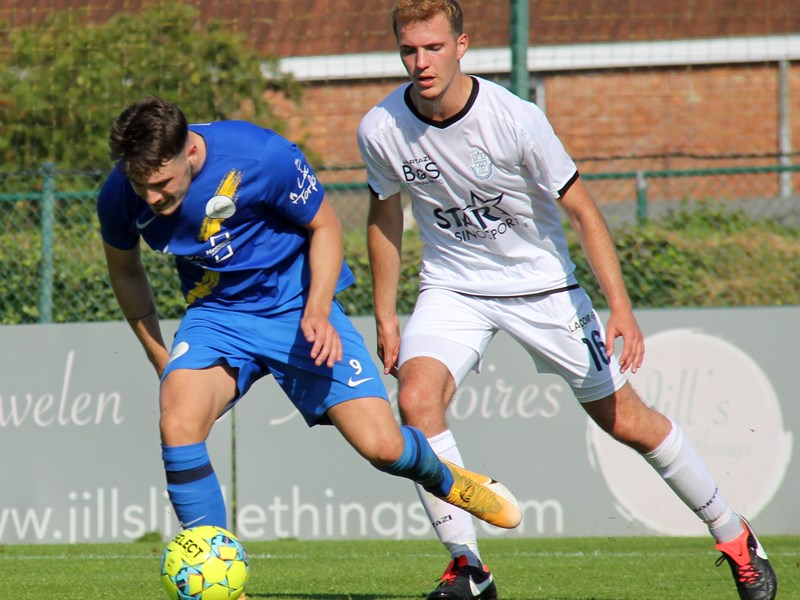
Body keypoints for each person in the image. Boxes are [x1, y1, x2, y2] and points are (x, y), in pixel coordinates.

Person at [357, 2, 778, 600]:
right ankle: (469, 569)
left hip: (542, 288)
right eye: (409, 50)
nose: (421, 62)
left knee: (627, 423)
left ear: (461, 45)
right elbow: (384, 213)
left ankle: (734, 535)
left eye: (433, 47)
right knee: (416, 400)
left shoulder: (516, 119)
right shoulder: (381, 128)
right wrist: (385, 313)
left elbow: (582, 210)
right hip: (453, 286)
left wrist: (621, 308)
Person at [96, 97, 523, 551]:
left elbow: (326, 227)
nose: (151, 197)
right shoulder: (120, 194)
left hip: (298, 308)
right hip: (216, 317)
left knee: (383, 447)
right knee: (177, 424)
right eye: (142, 186)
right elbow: (125, 272)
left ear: (191, 153)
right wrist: (159, 355)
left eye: (161, 184)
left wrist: (318, 310)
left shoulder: (260, 155)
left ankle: (447, 478)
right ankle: (215, 573)